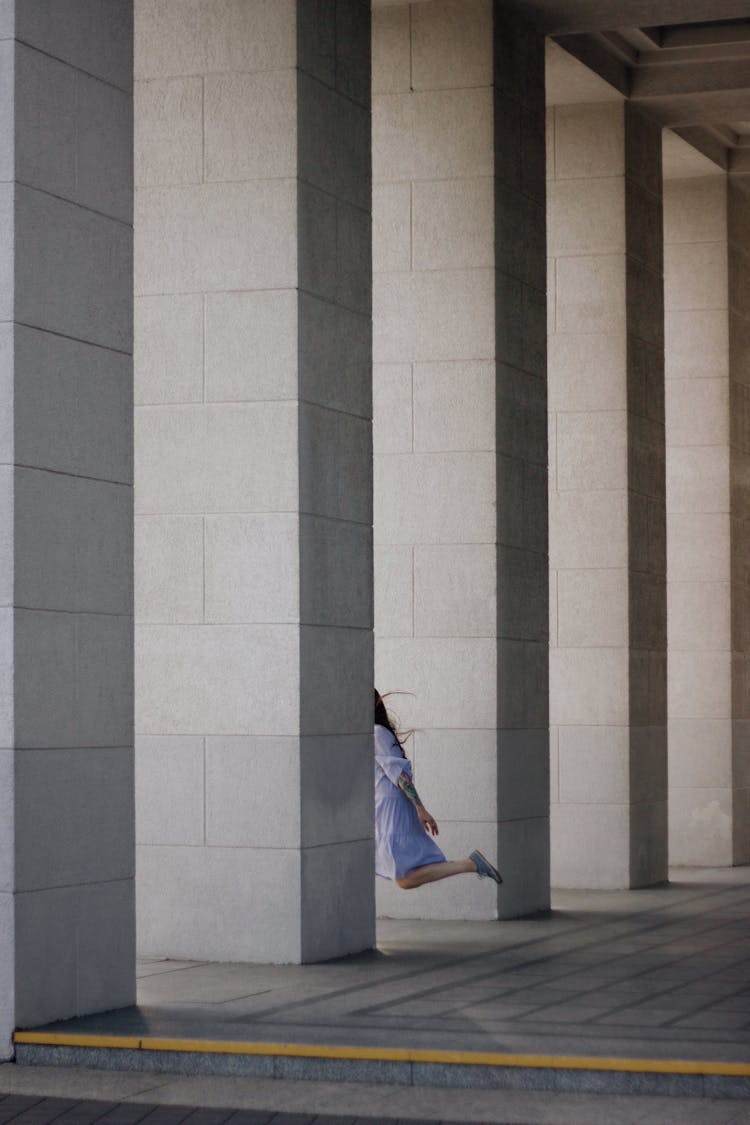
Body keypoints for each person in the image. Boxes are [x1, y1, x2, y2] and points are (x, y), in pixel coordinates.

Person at [374, 689, 502, 889]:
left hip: (390, 809)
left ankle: (470, 864)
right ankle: (470, 864)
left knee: (401, 874)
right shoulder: (378, 733)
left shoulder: (377, 733)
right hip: (388, 806)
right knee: (404, 879)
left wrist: (420, 808)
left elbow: (400, 776)